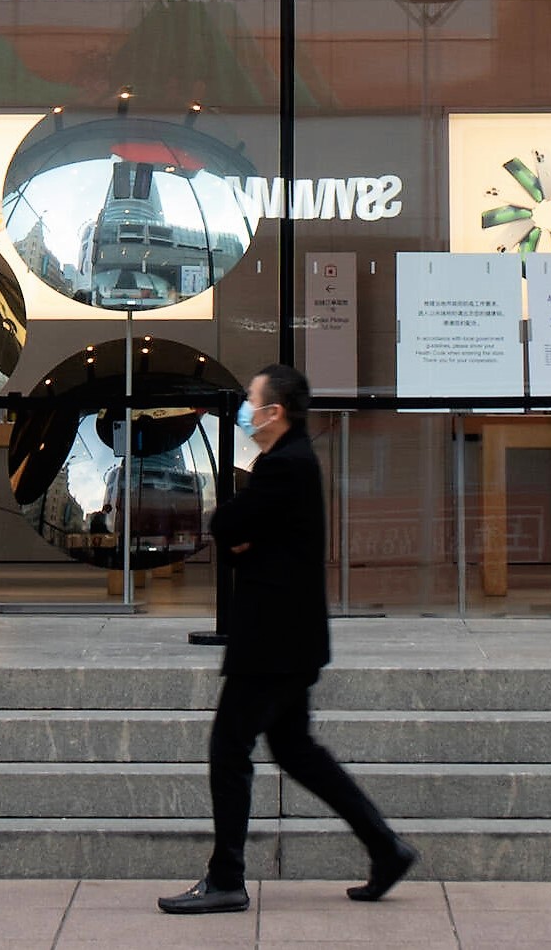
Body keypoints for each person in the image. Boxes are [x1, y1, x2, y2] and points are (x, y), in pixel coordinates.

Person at [159, 365, 417, 914]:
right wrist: (241, 536)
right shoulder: (293, 462)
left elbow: (226, 525)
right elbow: (241, 533)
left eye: (253, 402)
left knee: (229, 748)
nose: (247, 411)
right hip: (291, 638)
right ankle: (385, 847)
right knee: (296, 750)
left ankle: (226, 877)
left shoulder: (283, 468)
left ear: (275, 412)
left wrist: (236, 533)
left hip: (271, 641)